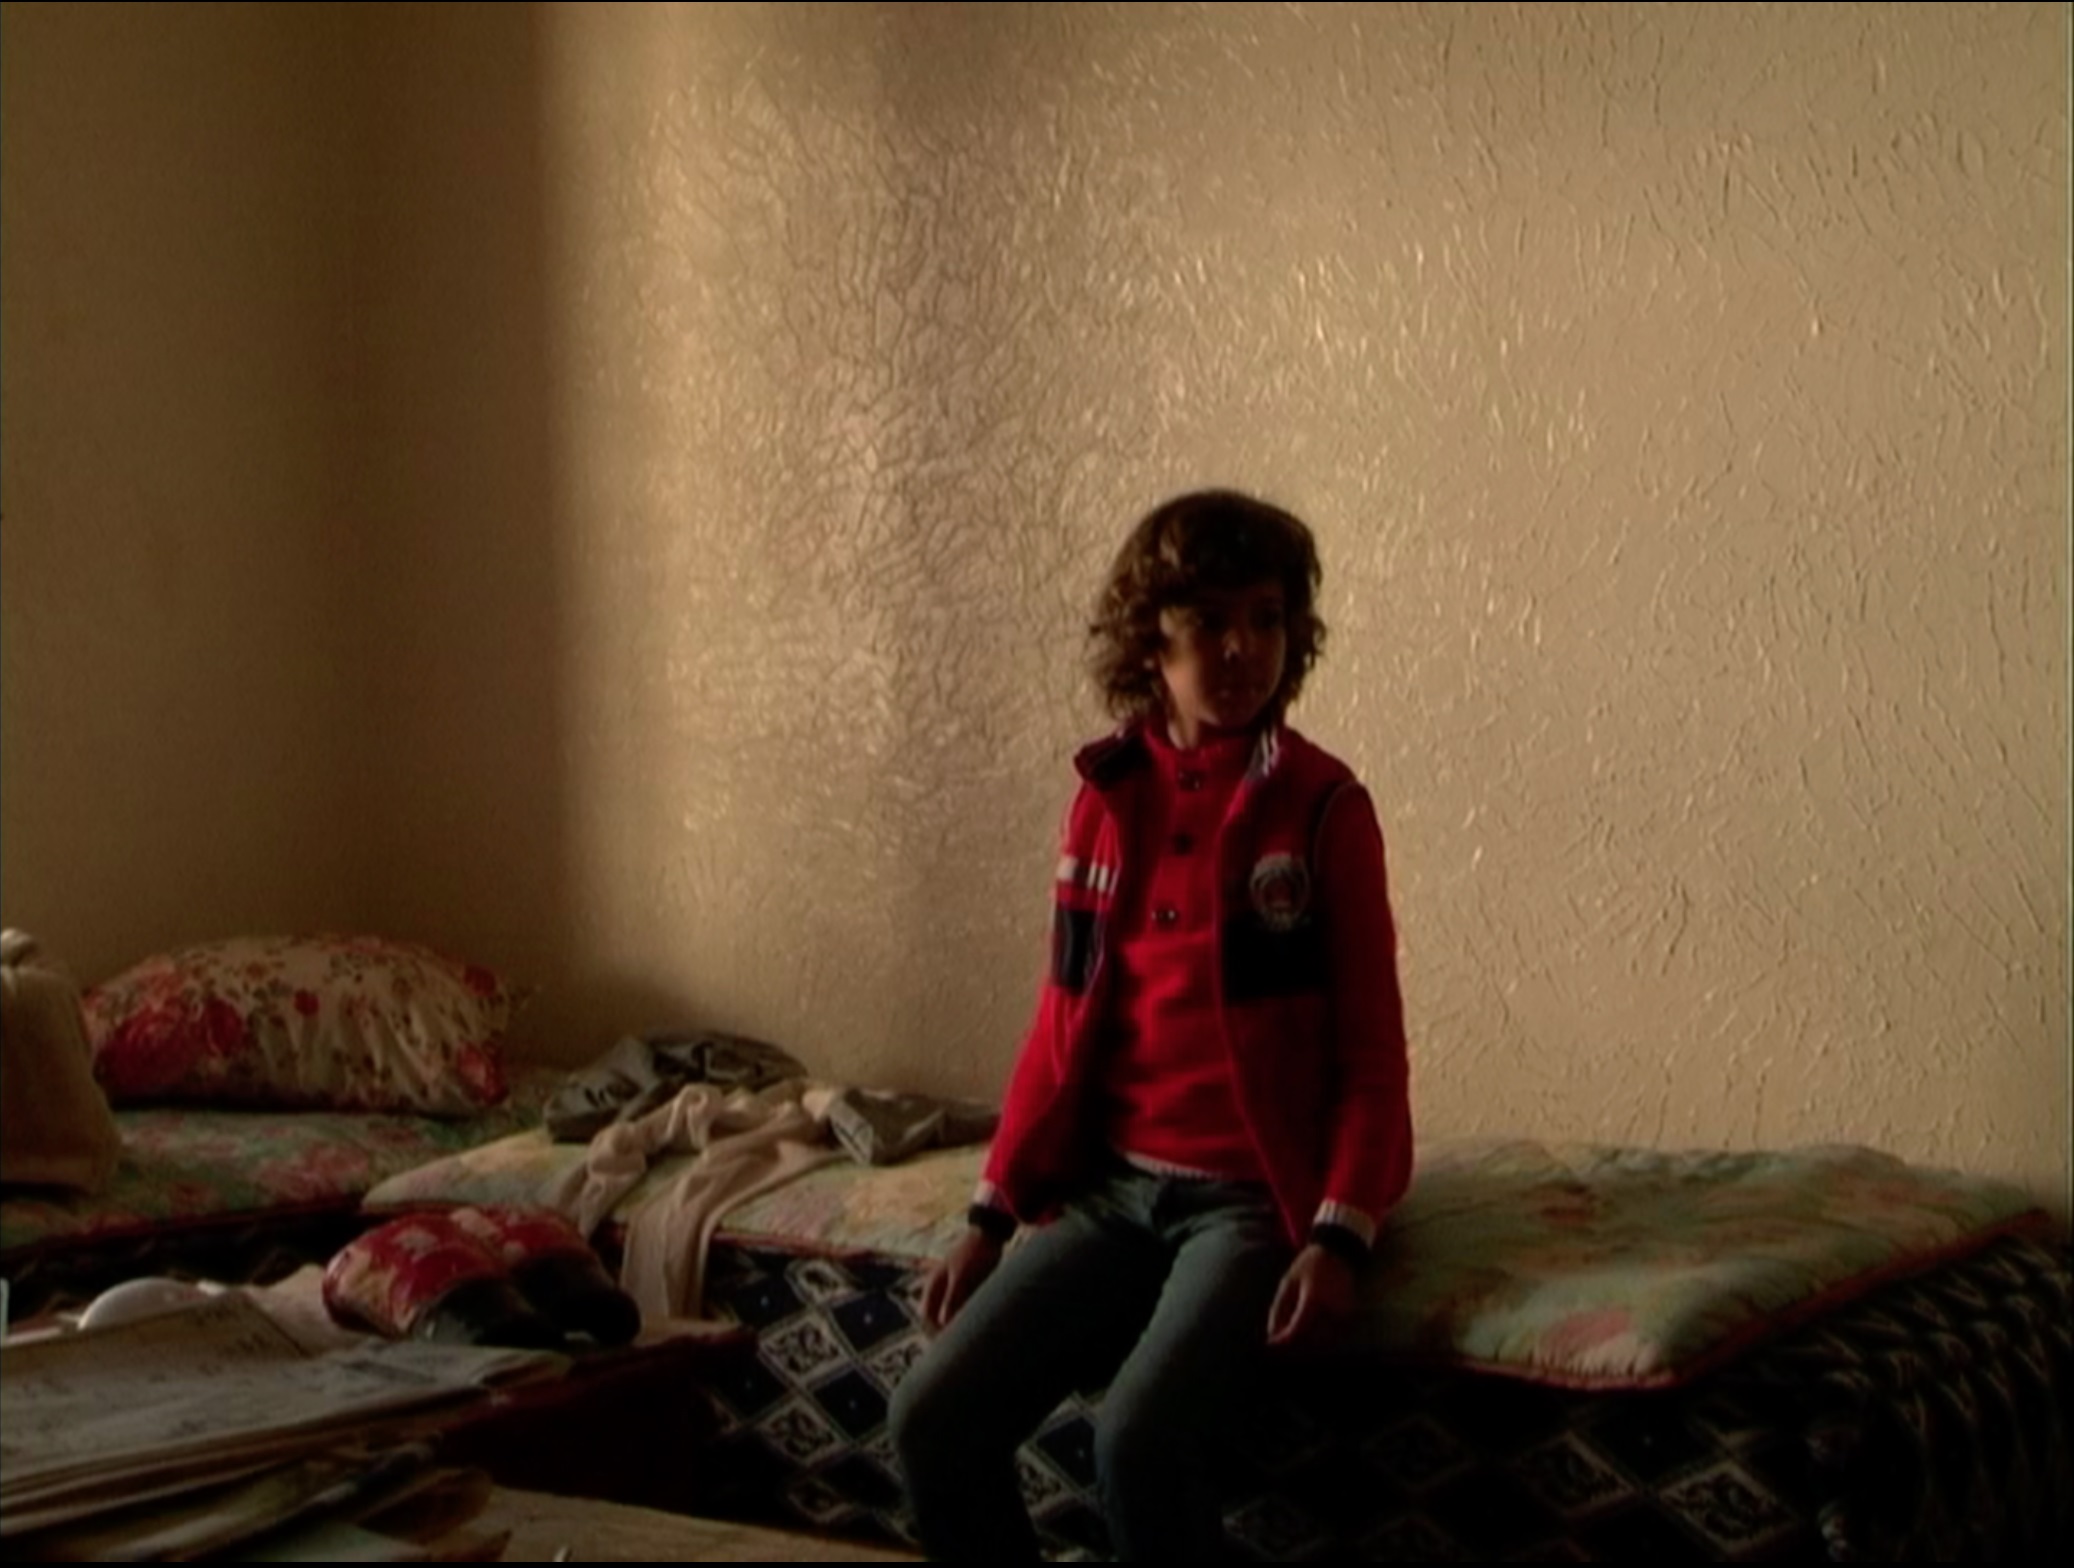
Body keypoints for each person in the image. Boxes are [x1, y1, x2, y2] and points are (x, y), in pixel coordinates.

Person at [888, 488, 1412, 1562]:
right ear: (1150, 639)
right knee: (931, 1417)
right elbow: (1060, 1021)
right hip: (1113, 1193)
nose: (1242, 649)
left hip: (1248, 1205)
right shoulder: (1108, 798)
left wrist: (1336, 1235)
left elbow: (1372, 1059)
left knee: (1136, 1438)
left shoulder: (1322, 808)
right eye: (1209, 621)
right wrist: (990, 1211)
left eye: (1266, 619)